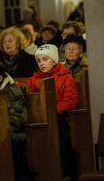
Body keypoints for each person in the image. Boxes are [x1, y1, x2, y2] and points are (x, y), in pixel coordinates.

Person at [27, 44, 78, 179]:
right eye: (38, 60)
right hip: (39, 118)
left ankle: (62, 166)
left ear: (54, 60)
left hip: (59, 117)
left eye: (45, 59)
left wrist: (49, 111)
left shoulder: (65, 78)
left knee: (57, 122)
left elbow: (70, 102)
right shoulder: (33, 81)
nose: (42, 63)